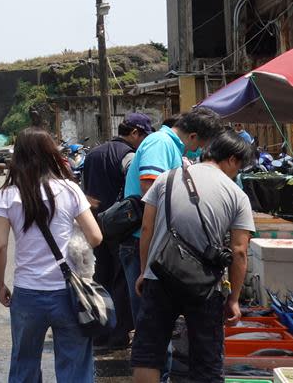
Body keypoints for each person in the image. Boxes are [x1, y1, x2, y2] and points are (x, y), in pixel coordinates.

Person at [131, 131, 255, 382]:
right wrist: (233, 299)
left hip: (160, 275)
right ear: (231, 159)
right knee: (206, 361)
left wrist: (145, 271)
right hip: (205, 285)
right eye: (239, 166)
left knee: (148, 354)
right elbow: (240, 250)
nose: (237, 172)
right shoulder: (236, 195)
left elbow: (147, 229)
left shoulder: (166, 178)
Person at [0, 127, 102, 382]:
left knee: (24, 363)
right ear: (50, 153)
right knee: (75, 365)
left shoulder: (7, 194)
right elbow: (95, 237)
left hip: (27, 293)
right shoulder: (70, 190)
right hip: (68, 293)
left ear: (18, 155)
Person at [118, 107, 224, 329]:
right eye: (199, 146)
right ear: (193, 136)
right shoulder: (161, 143)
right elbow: (151, 194)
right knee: (150, 322)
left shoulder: (171, 146)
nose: (197, 151)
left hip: (154, 239)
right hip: (142, 240)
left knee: (159, 320)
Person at [81, 112, 155, 349]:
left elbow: (85, 189)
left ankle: (98, 333)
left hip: (95, 224)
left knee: (99, 278)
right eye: (143, 136)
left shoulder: (92, 153)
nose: (144, 142)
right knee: (121, 283)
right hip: (121, 228)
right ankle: (118, 335)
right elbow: (134, 192)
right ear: (134, 133)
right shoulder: (129, 156)